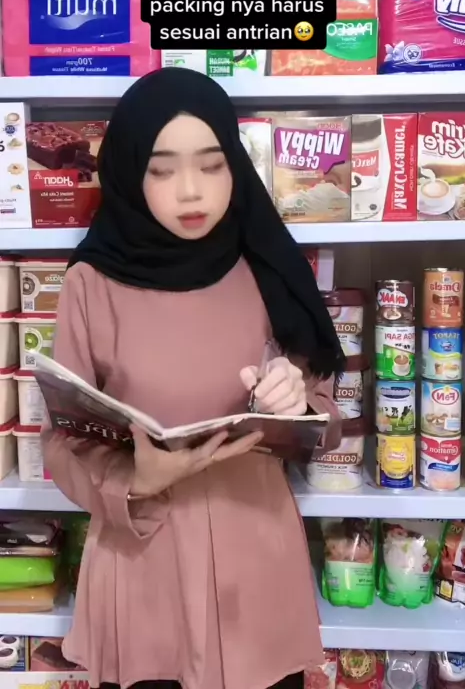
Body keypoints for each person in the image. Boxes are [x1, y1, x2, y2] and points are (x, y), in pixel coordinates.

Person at [42, 67, 344, 689]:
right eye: (162, 170)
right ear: (130, 171)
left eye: (212, 165)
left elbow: (327, 420)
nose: (191, 191)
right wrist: (134, 479)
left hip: (254, 561)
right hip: (143, 560)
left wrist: (299, 406)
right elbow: (62, 441)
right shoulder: (91, 283)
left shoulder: (266, 263)